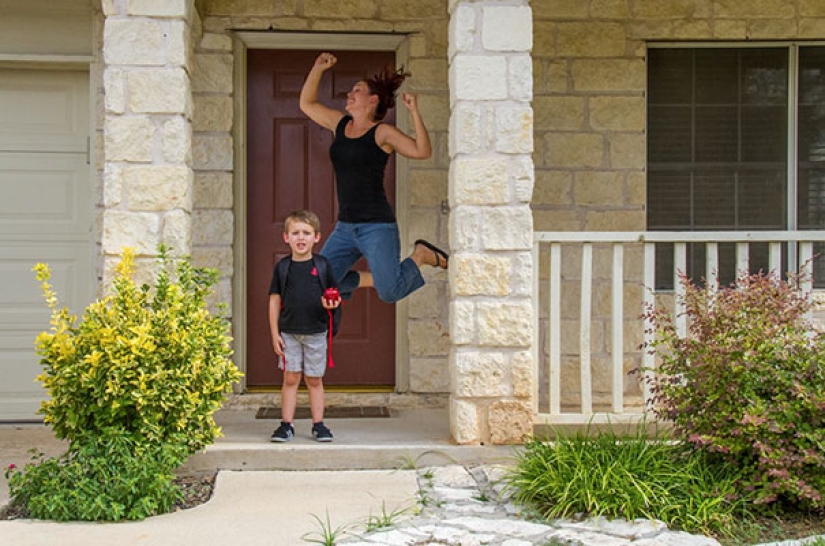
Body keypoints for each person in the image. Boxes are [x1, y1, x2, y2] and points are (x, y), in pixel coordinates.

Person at [299, 52, 449, 303]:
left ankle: (421, 255)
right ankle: (375, 278)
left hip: (377, 227)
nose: (349, 94)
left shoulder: (382, 133)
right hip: (345, 227)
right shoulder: (340, 124)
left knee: (390, 293)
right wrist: (317, 69)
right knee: (318, 282)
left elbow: (422, 151)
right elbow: (307, 104)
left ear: (372, 99)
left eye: (356, 90)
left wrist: (414, 112)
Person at [268, 209, 341, 443]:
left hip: (316, 333)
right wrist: (274, 334)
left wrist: (331, 303)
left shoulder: (323, 265)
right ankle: (286, 424)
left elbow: (335, 297)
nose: (301, 238)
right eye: (296, 233)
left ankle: (318, 424)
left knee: (314, 379)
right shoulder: (282, 267)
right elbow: (274, 300)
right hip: (289, 333)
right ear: (286, 237)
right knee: (290, 378)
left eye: (306, 233)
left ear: (317, 237)